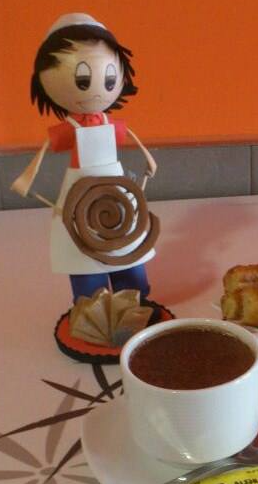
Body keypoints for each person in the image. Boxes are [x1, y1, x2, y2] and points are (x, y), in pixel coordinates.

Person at [11, 13, 157, 304]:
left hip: (116, 193)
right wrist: (26, 179)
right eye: (81, 79)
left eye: (109, 78)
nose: (97, 89)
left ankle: (134, 298)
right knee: (81, 246)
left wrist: (149, 163)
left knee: (125, 243)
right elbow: (43, 152)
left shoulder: (110, 123)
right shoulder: (69, 128)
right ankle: (92, 304)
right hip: (79, 196)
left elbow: (135, 141)